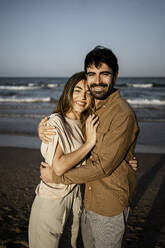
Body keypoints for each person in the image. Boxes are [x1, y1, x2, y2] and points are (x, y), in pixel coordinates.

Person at [39, 46, 139, 248]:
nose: (98, 80)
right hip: (86, 200)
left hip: (109, 206)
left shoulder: (122, 114)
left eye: (104, 74)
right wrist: (43, 126)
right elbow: (68, 116)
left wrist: (56, 177)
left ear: (115, 75)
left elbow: (103, 167)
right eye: (92, 74)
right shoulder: (92, 105)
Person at [29, 72, 100, 248]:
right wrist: (89, 143)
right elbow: (59, 167)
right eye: (77, 90)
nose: (82, 97)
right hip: (53, 201)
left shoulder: (86, 124)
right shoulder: (56, 122)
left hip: (76, 200)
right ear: (68, 92)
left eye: (88, 92)